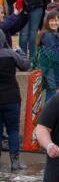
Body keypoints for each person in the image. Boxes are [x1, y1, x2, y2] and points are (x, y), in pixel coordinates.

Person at [0, 27, 29, 170]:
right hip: (11, 97)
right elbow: (25, 65)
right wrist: (21, 52)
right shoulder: (10, 54)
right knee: (13, 130)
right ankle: (15, 161)